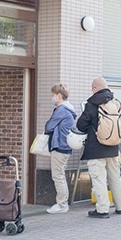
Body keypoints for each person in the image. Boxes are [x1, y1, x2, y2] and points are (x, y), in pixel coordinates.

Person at [77, 77, 121, 219]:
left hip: (96, 149)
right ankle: (120, 206)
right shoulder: (117, 103)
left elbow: (81, 125)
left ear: (94, 88)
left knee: (99, 180)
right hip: (113, 148)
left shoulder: (92, 103)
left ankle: (103, 209)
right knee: (115, 178)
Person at [44, 84, 76, 214]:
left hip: (60, 146)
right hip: (65, 146)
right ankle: (63, 203)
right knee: (60, 175)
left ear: (59, 96)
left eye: (53, 95)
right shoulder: (69, 110)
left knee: (58, 176)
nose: (52, 98)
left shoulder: (61, 110)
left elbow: (48, 126)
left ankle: (62, 205)